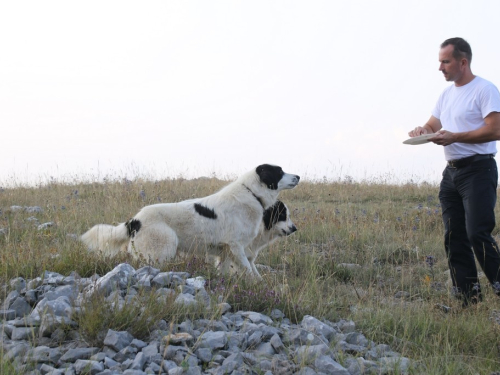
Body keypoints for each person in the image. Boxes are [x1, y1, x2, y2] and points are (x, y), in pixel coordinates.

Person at [409, 37, 500, 306]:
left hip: (478, 170)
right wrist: (422, 132)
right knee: (454, 236)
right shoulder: (446, 95)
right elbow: (432, 124)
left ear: (463, 62)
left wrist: (455, 137)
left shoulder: (484, 90)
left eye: (445, 61)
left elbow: (495, 129)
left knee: (477, 233)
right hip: (451, 174)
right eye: (440, 61)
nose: (440, 67)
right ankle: (467, 299)